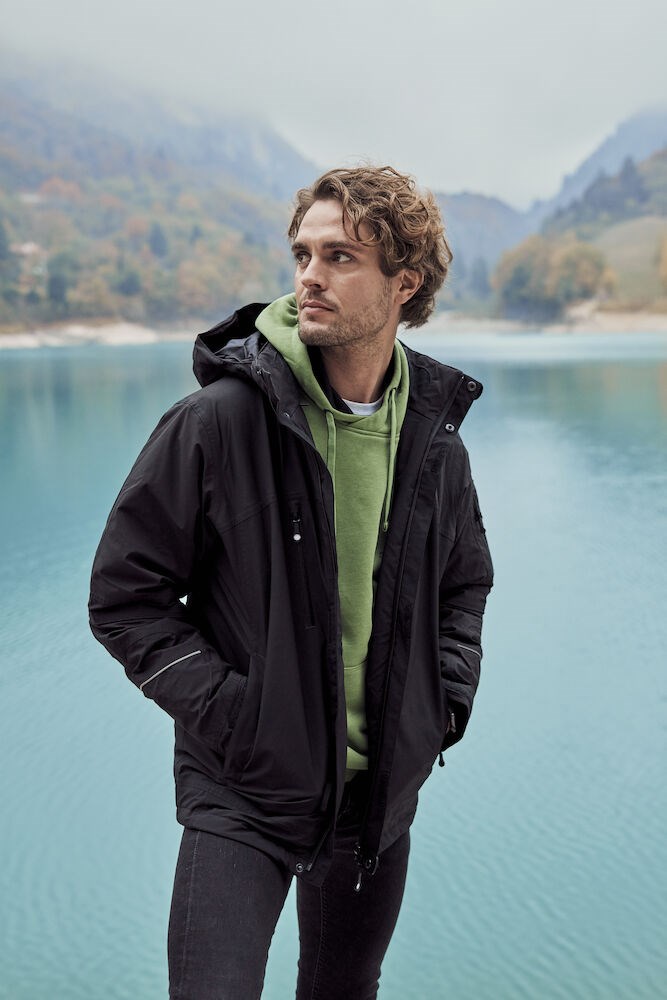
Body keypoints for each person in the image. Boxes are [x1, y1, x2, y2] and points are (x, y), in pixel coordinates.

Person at [89, 165, 494, 999]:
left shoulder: (434, 443)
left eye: (339, 256)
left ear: (403, 283)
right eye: (302, 254)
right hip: (243, 789)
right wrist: (239, 718)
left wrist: (440, 704)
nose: (309, 275)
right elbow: (125, 596)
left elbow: (463, 585)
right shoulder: (217, 422)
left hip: (375, 798)